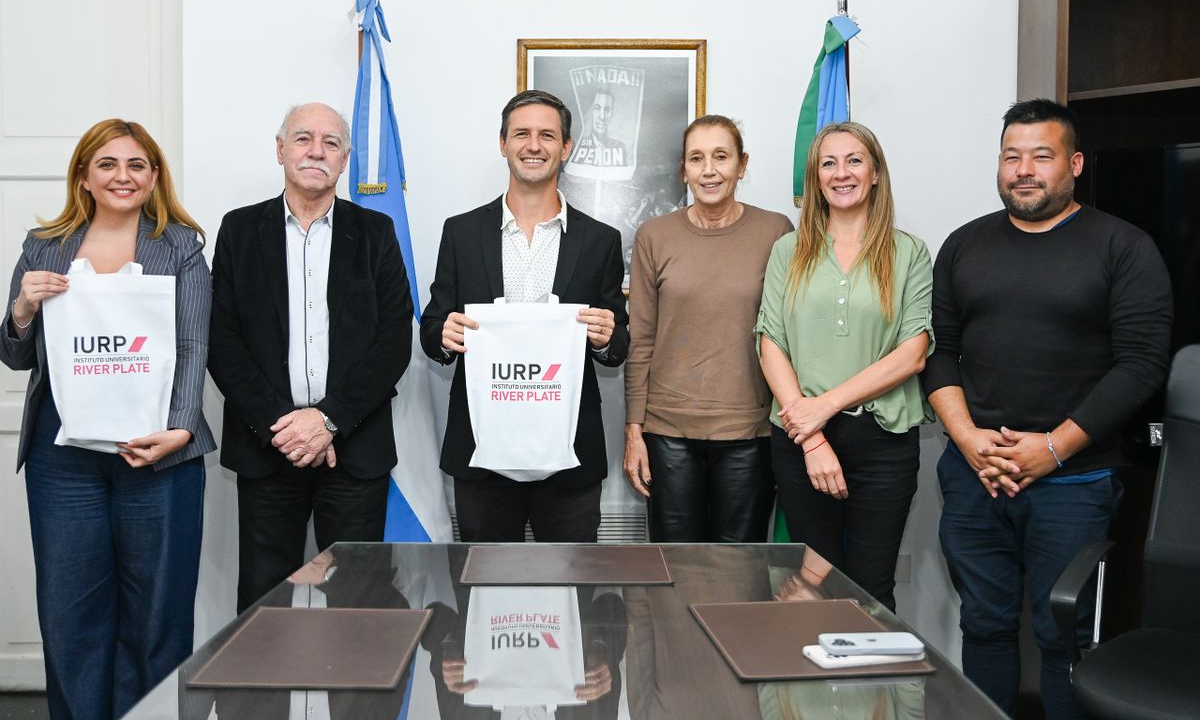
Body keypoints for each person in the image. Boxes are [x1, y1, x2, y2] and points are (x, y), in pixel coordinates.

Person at [923, 98, 1172, 720]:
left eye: (1041, 156)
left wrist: (1053, 448)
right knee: (983, 626)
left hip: (1075, 483)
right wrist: (969, 440)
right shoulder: (964, 244)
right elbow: (939, 352)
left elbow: (1141, 365)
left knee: (1065, 637)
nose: (1024, 170)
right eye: (1012, 156)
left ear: (1075, 164)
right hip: (977, 476)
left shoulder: (1123, 247)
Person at [0, 118, 215, 720]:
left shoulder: (181, 247)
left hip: (160, 452)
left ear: (154, 177)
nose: (123, 176)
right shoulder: (44, 246)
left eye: (137, 165)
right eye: (108, 164)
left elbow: (194, 344)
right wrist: (22, 307)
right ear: (84, 177)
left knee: (158, 615)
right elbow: (16, 353)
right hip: (62, 459)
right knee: (70, 613)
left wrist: (180, 428)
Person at [208, 102, 413, 613]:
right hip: (267, 448)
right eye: (303, 138)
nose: (316, 151)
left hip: (353, 450)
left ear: (344, 160)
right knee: (264, 604)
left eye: (331, 143)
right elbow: (222, 340)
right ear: (280, 150)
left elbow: (393, 342)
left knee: (358, 603)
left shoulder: (376, 232)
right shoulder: (239, 230)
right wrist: (286, 427)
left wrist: (326, 421)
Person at [420, 89, 628, 542]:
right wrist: (443, 334)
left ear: (565, 147)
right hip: (483, 451)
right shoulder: (460, 232)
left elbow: (618, 344)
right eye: (522, 134)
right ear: (503, 144)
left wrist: (605, 337)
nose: (534, 145)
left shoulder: (600, 240)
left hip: (570, 452)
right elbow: (432, 326)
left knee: (572, 579)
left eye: (547, 135)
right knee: (486, 580)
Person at [756, 121, 933, 612]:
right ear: (815, 178)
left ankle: (872, 669)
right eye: (828, 163)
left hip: (883, 441)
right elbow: (770, 342)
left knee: (872, 588)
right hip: (800, 440)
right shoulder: (788, 250)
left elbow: (914, 352)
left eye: (854, 160)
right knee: (811, 589)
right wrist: (812, 436)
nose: (842, 173)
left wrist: (826, 406)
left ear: (875, 172)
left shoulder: (909, 252)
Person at [623, 114, 792, 541]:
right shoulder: (654, 236)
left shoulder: (776, 232)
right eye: (696, 158)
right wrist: (634, 430)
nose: (709, 170)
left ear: (742, 164)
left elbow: (787, 335)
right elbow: (641, 340)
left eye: (721, 156)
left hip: (750, 432)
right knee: (676, 565)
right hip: (667, 433)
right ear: (684, 170)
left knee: (739, 568)